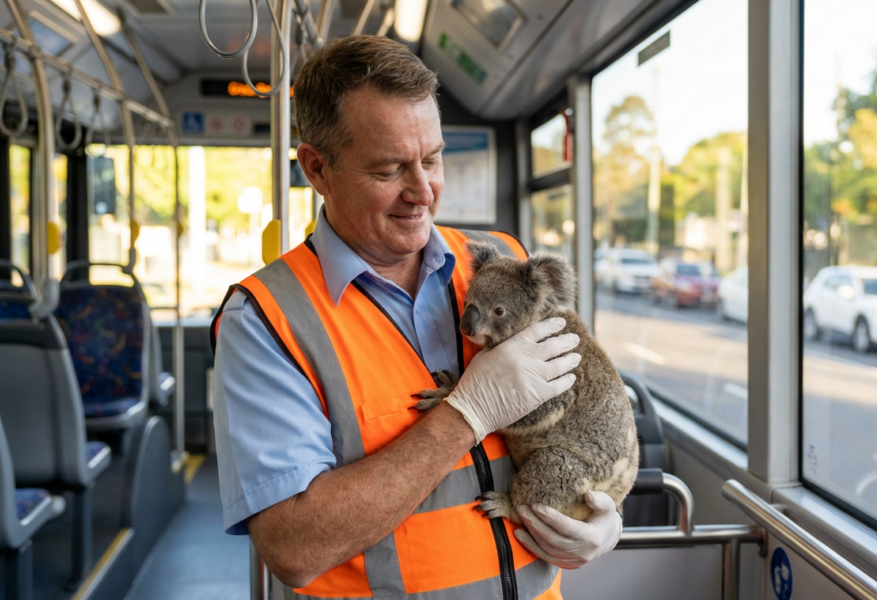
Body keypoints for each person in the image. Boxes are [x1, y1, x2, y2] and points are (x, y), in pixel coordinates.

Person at [212, 35, 623, 599]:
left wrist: (601, 517)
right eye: (388, 170)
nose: (423, 191)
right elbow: (294, 547)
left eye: (432, 159)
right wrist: (467, 413)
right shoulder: (266, 320)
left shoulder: (501, 260)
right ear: (317, 169)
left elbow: (588, 405)